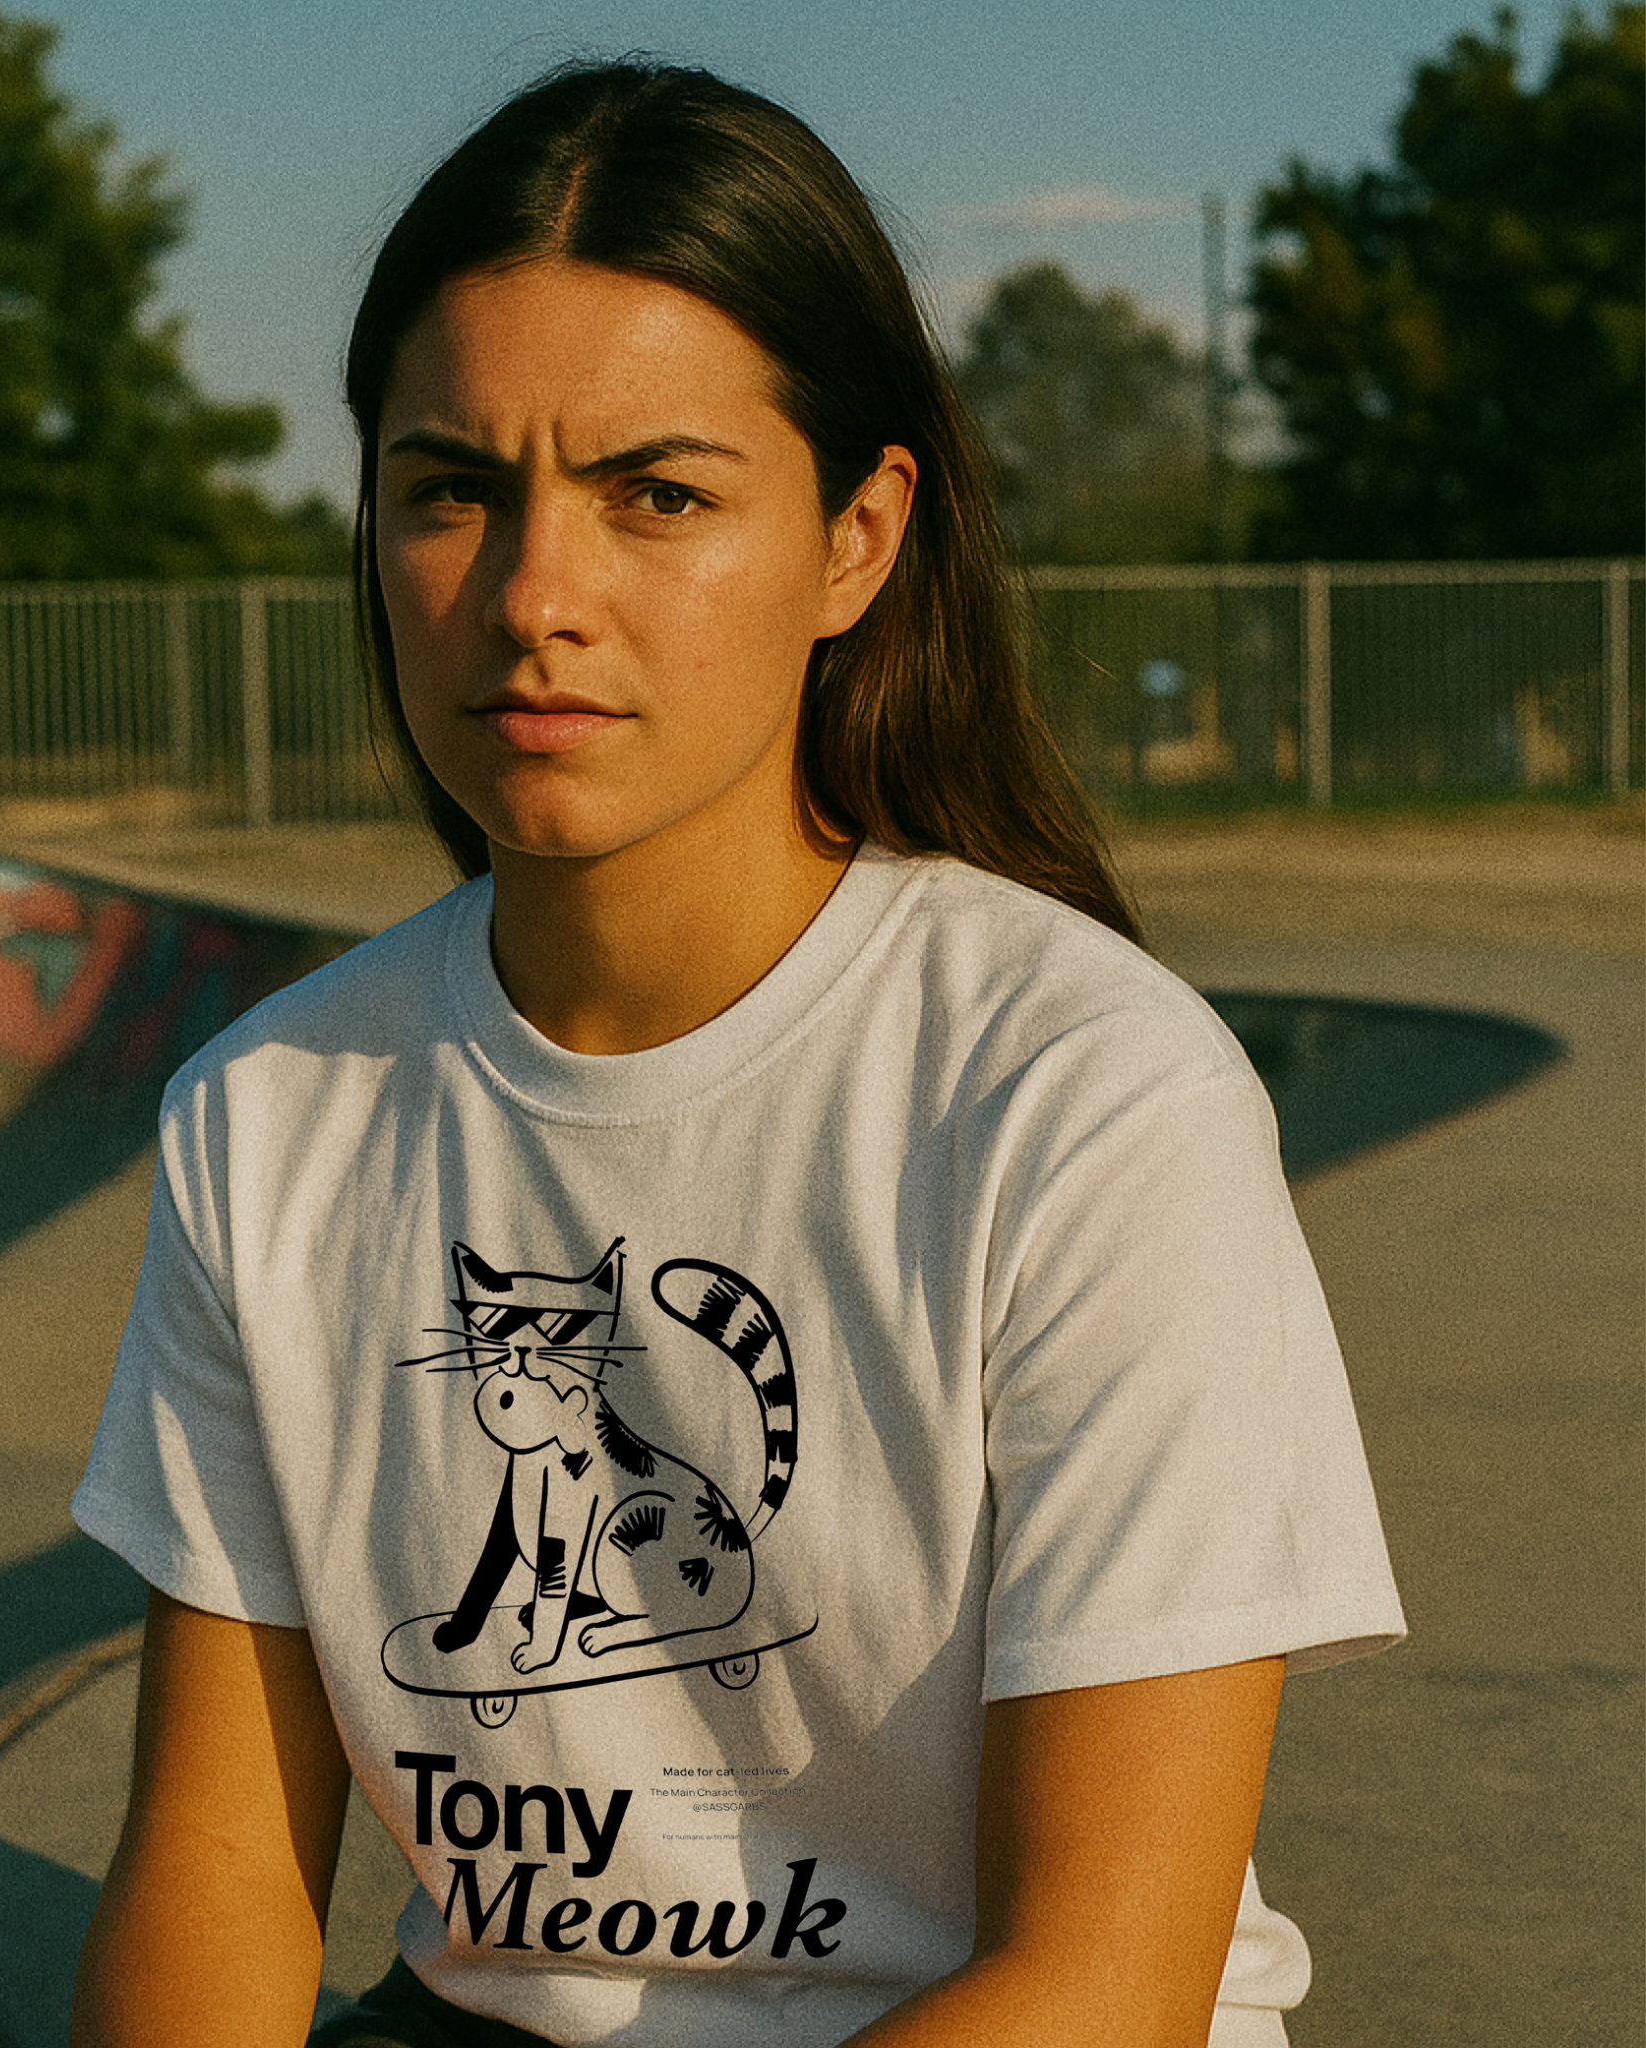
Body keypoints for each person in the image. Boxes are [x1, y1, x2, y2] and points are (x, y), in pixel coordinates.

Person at [68, 61, 1403, 2048]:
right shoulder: (269, 1120)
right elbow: (222, 1867)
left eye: (655, 495)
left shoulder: (1085, 1099)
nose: (534, 596)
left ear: (855, 543)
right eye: (451, 487)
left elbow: (1098, 1981)